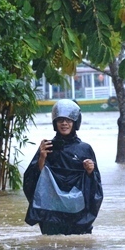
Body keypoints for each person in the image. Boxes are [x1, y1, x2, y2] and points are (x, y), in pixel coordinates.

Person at [23, 99, 103, 235]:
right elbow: (33, 180)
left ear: (75, 123)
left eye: (68, 120)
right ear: (55, 123)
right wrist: (42, 157)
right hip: (52, 212)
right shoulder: (47, 147)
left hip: (77, 212)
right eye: (60, 120)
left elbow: (95, 186)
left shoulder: (84, 149)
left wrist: (90, 171)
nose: (64, 123)